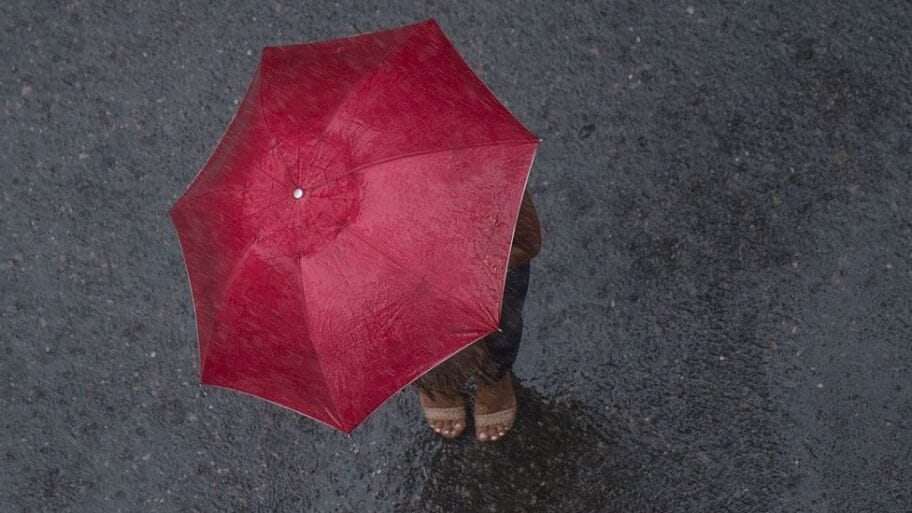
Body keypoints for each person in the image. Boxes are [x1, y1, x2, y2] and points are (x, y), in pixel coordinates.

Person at [414, 189, 541, 442]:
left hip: (475, 211)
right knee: (404, 318)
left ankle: (492, 374)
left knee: (498, 316)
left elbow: (524, 246)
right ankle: (437, 379)